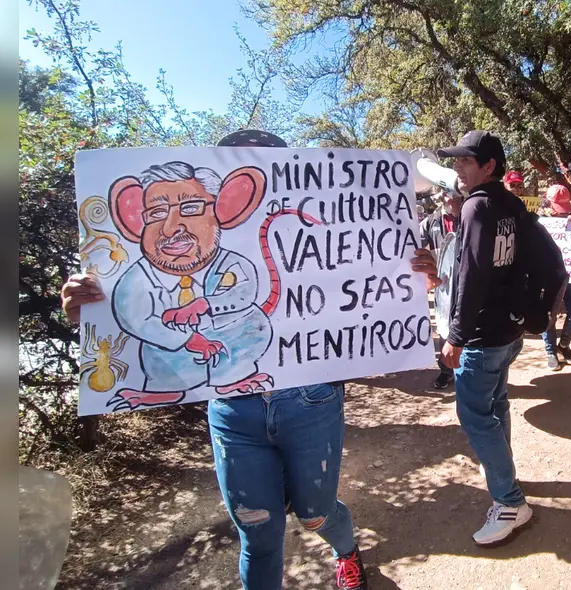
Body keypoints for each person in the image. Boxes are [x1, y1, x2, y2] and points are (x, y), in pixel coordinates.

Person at [60, 129, 441, 590]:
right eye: (159, 212)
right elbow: (130, 313)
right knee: (257, 532)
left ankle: (347, 551)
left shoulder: (302, 228)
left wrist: (410, 273)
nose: (175, 224)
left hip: (312, 400)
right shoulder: (155, 261)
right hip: (232, 411)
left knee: (317, 513)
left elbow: (361, 288)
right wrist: (91, 309)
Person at [437, 130, 533, 545]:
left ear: (489, 166)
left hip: (480, 335)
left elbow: (472, 277)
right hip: (507, 331)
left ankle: (509, 502)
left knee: (476, 415)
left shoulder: (477, 208)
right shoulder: (511, 204)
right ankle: (504, 473)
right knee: (496, 405)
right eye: (455, 160)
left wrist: (456, 335)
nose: (457, 167)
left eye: (465, 161)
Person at [537, 184, 571, 370]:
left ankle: (564, 345)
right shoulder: (539, 221)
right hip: (549, 277)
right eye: (559, 208)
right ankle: (550, 351)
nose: (562, 213)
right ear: (548, 202)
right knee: (549, 314)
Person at [420, 189, 464, 389]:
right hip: (443, 287)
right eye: (447, 194)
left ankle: (464, 371)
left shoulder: (470, 214)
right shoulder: (431, 221)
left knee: (464, 323)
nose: (451, 199)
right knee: (444, 326)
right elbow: (413, 244)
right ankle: (446, 370)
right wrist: (428, 272)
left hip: (466, 283)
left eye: (455, 195)